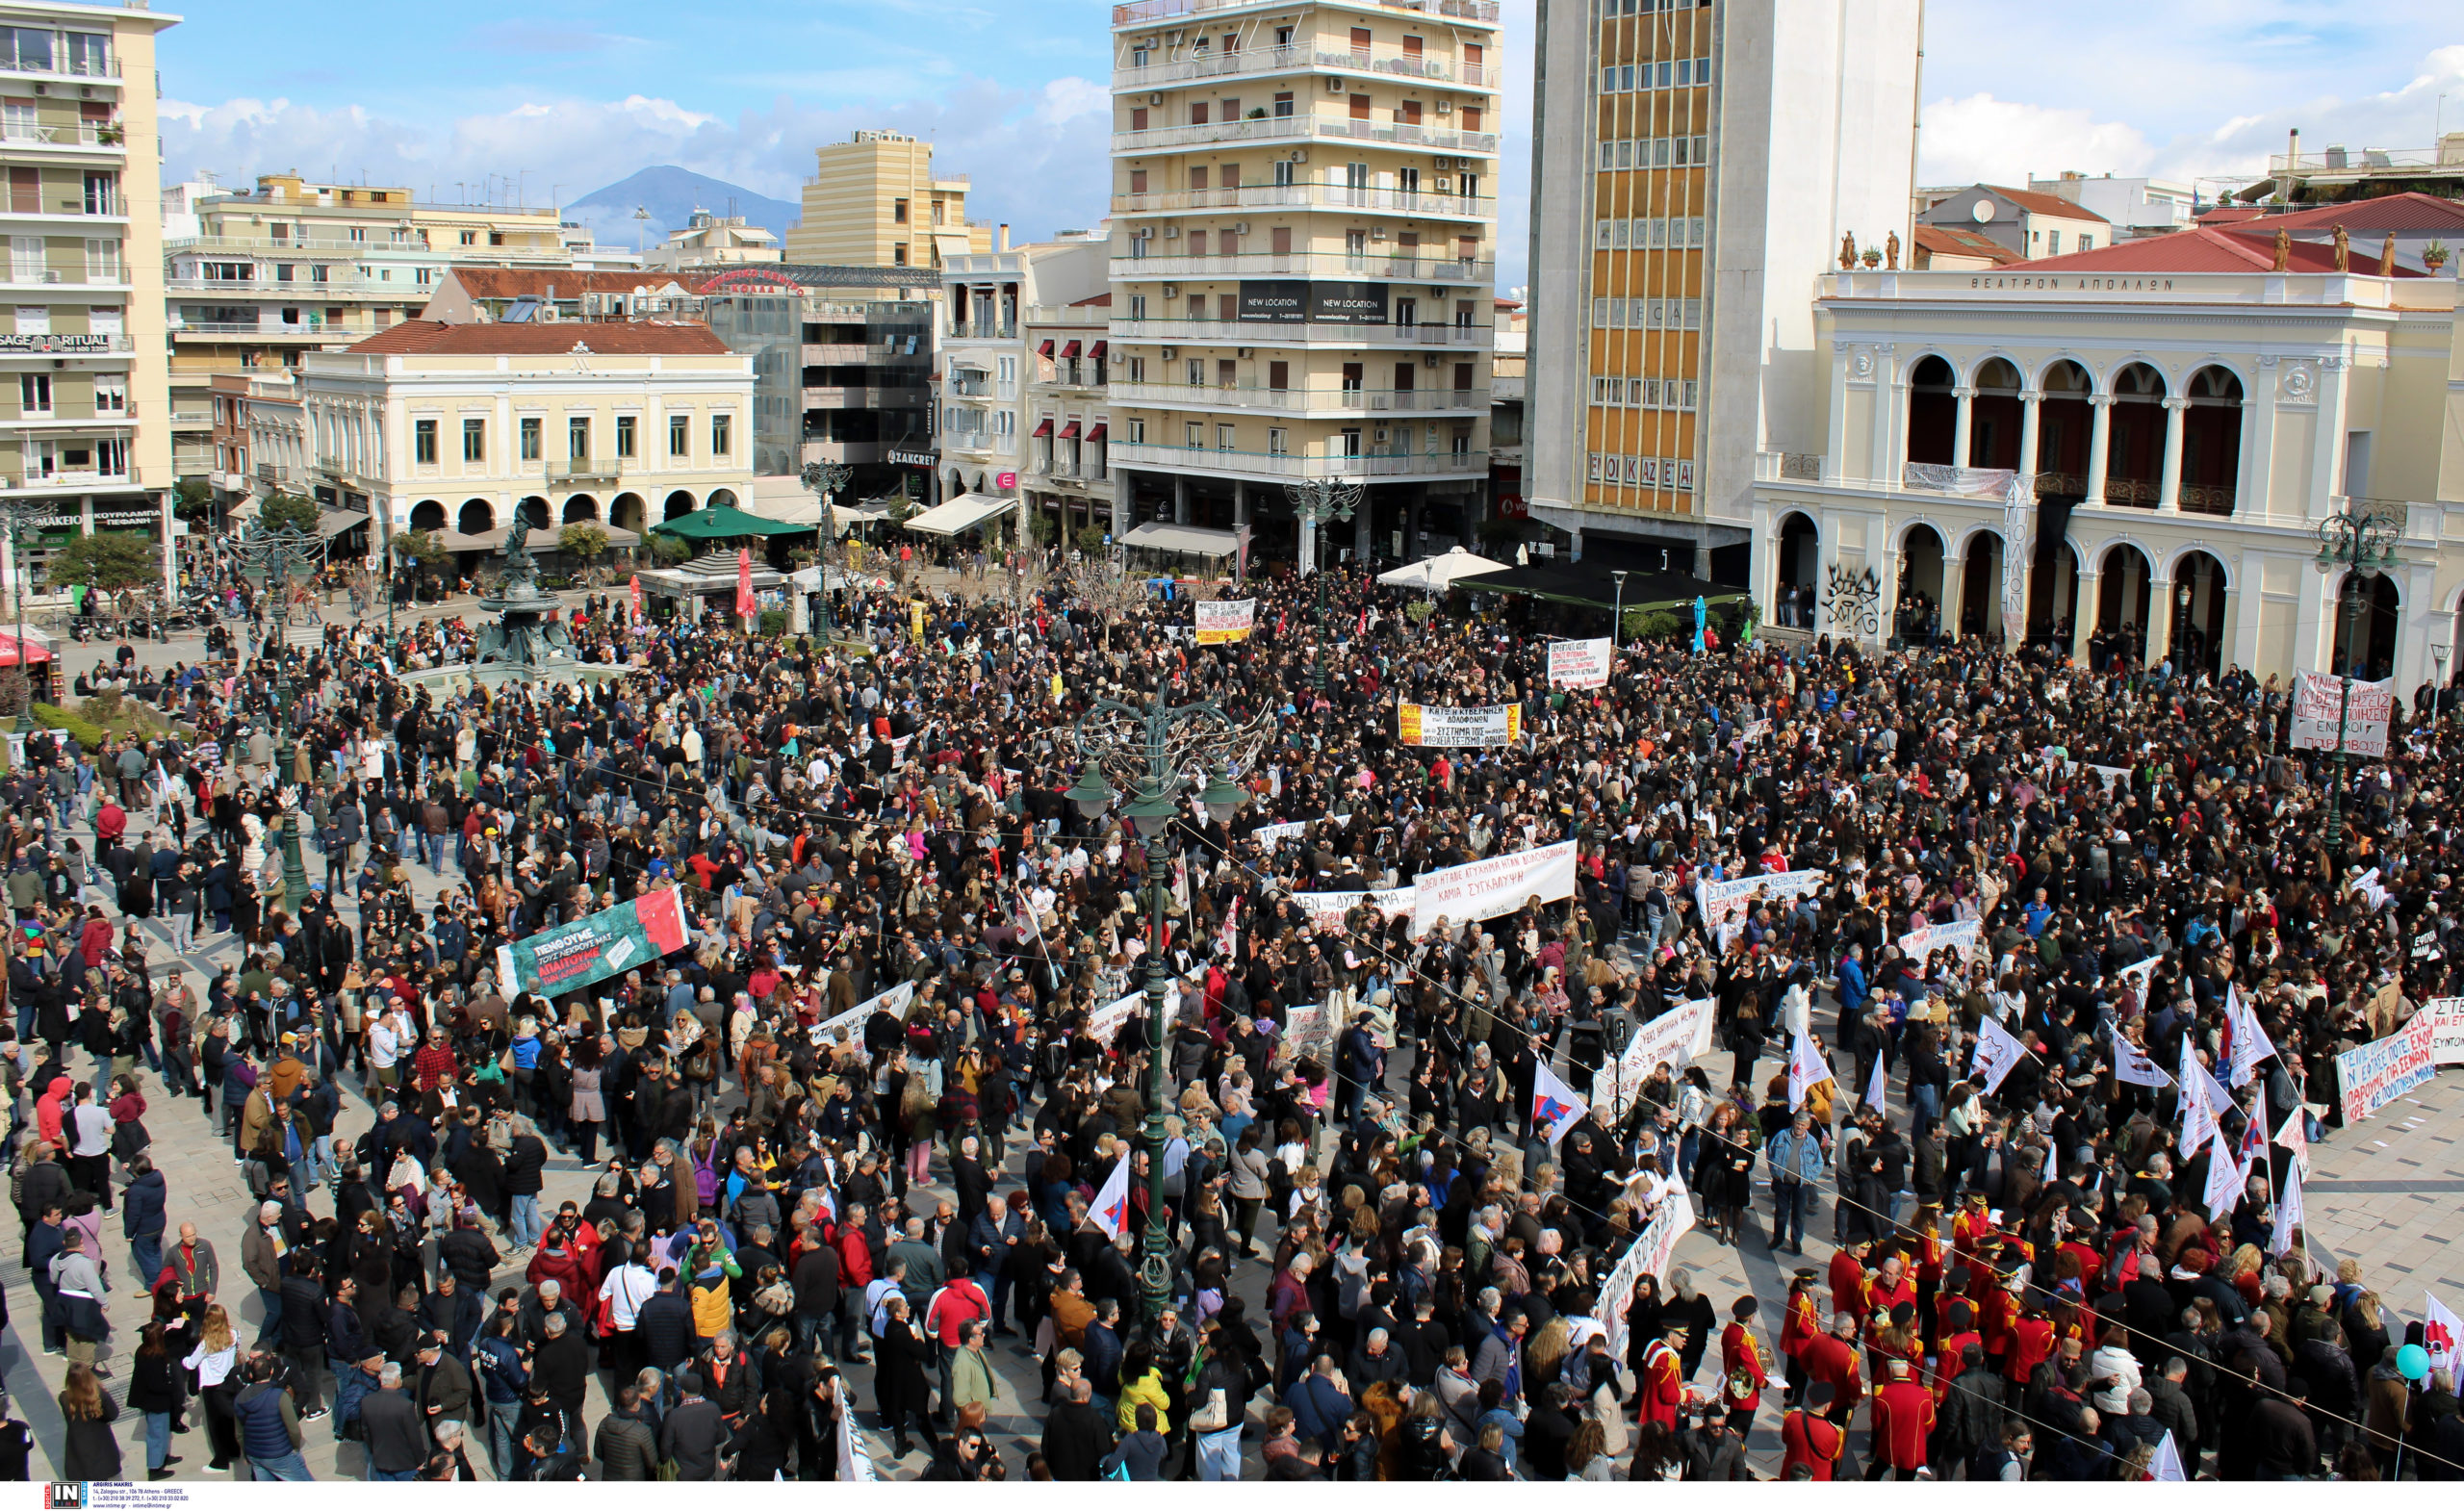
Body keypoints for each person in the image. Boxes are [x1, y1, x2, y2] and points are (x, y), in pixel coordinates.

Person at [58, 1364, 121, 1482]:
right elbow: (113, 1414)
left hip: (78, 1446)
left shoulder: (64, 1398)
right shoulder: (99, 1396)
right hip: (100, 1445)